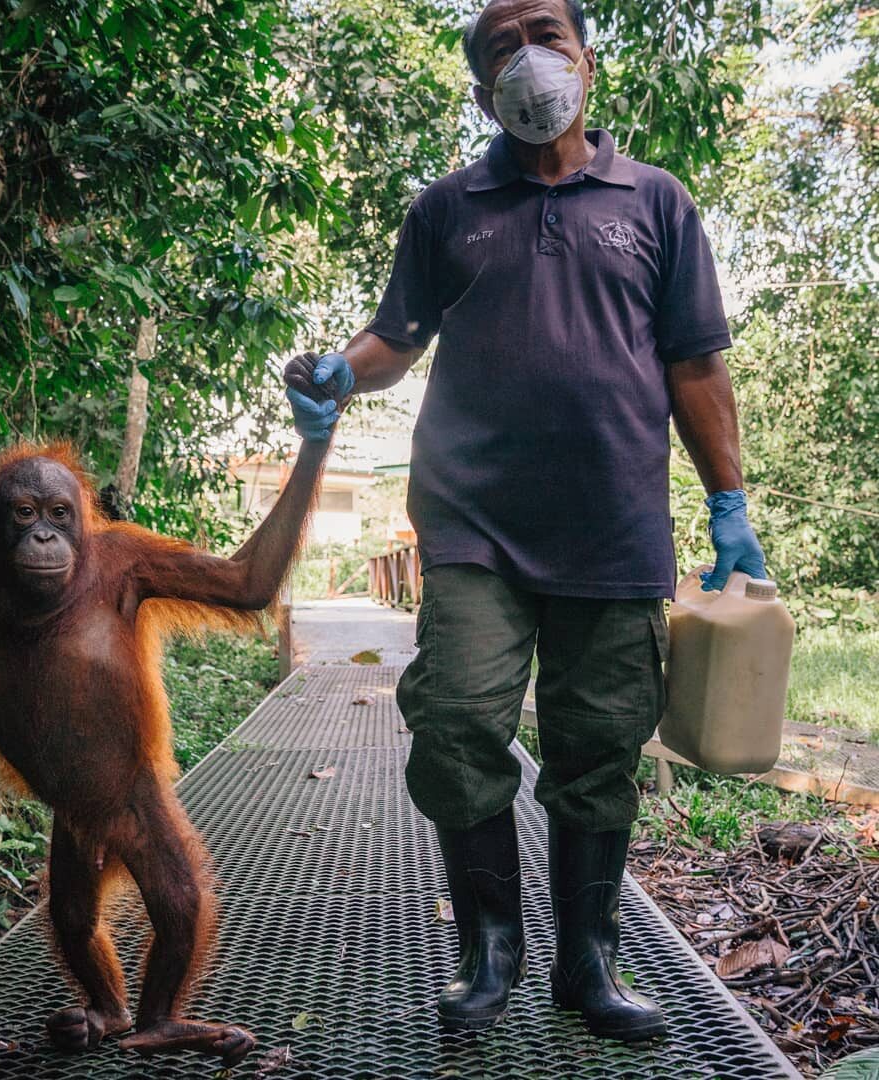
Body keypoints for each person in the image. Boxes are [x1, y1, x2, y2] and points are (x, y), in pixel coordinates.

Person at [283, 0, 767, 1043]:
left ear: (586, 59)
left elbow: (695, 362)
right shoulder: (448, 208)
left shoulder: (656, 202)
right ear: (478, 86)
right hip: (472, 527)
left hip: (616, 526)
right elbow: (395, 338)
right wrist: (337, 372)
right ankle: (488, 946)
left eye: (546, 33)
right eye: (501, 45)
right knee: (457, 721)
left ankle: (587, 960)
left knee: (599, 746)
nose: (528, 57)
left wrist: (729, 501)